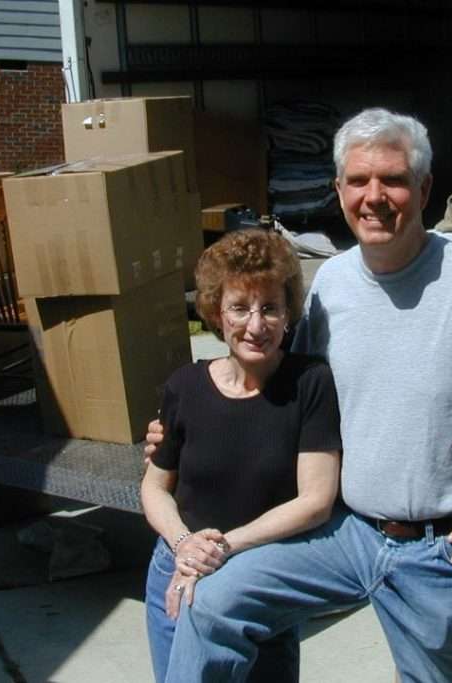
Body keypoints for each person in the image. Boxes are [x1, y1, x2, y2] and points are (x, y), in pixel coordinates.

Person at [147, 108, 452, 683]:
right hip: (346, 533)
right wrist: (184, 427)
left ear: (422, 189)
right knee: (214, 601)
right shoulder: (333, 286)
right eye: (359, 180)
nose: (375, 196)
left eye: (392, 179)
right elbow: (282, 390)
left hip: (441, 553)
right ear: (339, 190)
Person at [140, 228, 342, 682]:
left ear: (289, 313)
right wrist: (184, 545)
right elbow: (154, 487)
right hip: (179, 573)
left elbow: (315, 501)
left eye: (270, 308)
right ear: (216, 312)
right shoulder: (184, 387)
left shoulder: (309, 384)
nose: (256, 325)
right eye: (240, 308)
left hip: (260, 578)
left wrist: (225, 548)